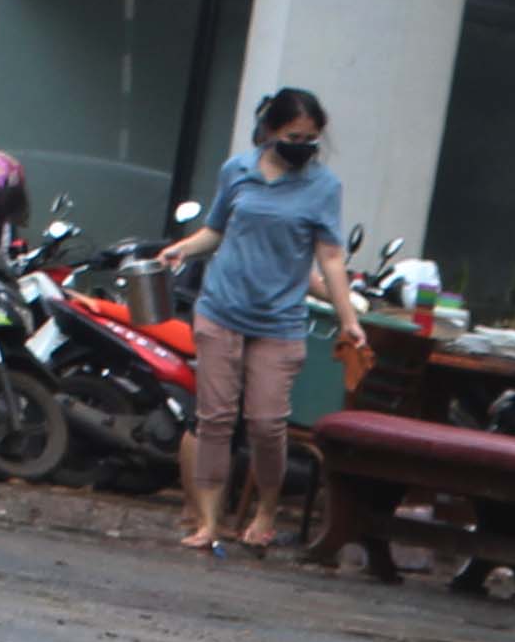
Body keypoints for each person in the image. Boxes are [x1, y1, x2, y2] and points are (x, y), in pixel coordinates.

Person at [157, 86, 371, 555]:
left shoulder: (323, 187)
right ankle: (210, 522)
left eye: (312, 138)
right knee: (214, 419)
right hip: (220, 309)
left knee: (267, 422)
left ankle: (266, 509)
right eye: (294, 135)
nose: (303, 145)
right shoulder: (237, 170)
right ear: (271, 131)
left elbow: (331, 259)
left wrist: (348, 317)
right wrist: (181, 248)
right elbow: (216, 230)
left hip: (279, 319)